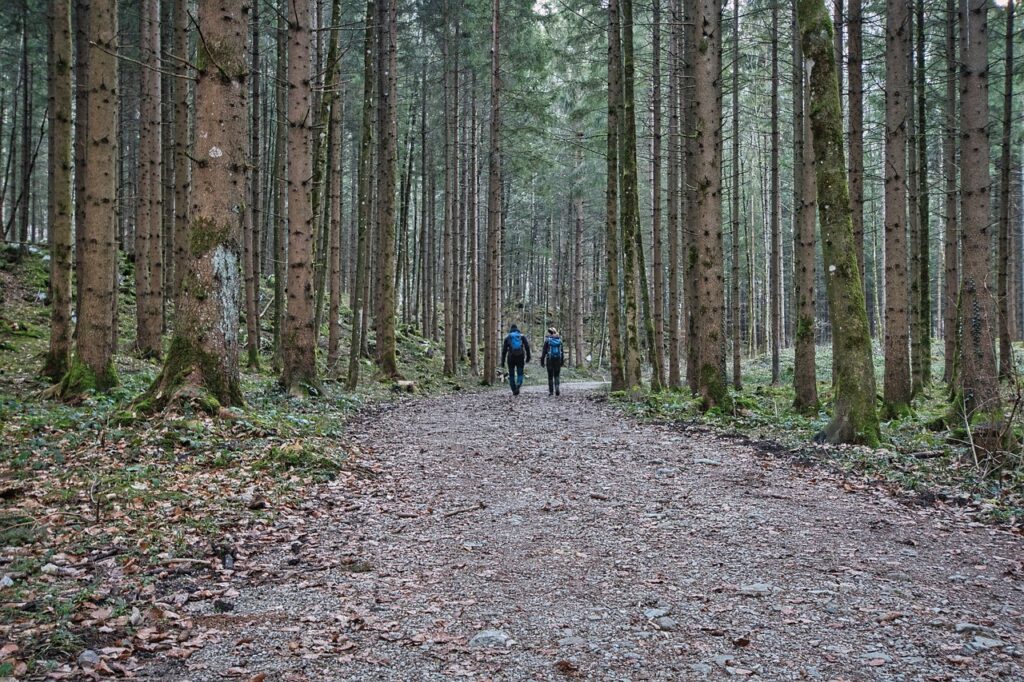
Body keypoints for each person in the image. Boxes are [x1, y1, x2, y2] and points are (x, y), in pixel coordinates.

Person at [500, 324, 531, 395]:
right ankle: (518, 384)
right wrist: (528, 357)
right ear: (517, 329)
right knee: (520, 373)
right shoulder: (522, 336)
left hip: (511, 357)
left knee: (511, 374)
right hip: (520, 357)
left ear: (511, 329)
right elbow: (527, 347)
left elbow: (504, 351)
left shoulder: (508, 337)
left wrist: (502, 361)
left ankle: (514, 389)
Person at [540, 327, 565, 396]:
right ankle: (557, 387)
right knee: (556, 375)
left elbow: (544, 352)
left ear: (550, 333)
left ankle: (551, 392)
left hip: (549, 360)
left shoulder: (547, 341)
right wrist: (562, 361)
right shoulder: (559, 340)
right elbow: (562, 352)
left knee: (550, 376)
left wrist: (542, 361)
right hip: (558, 359)